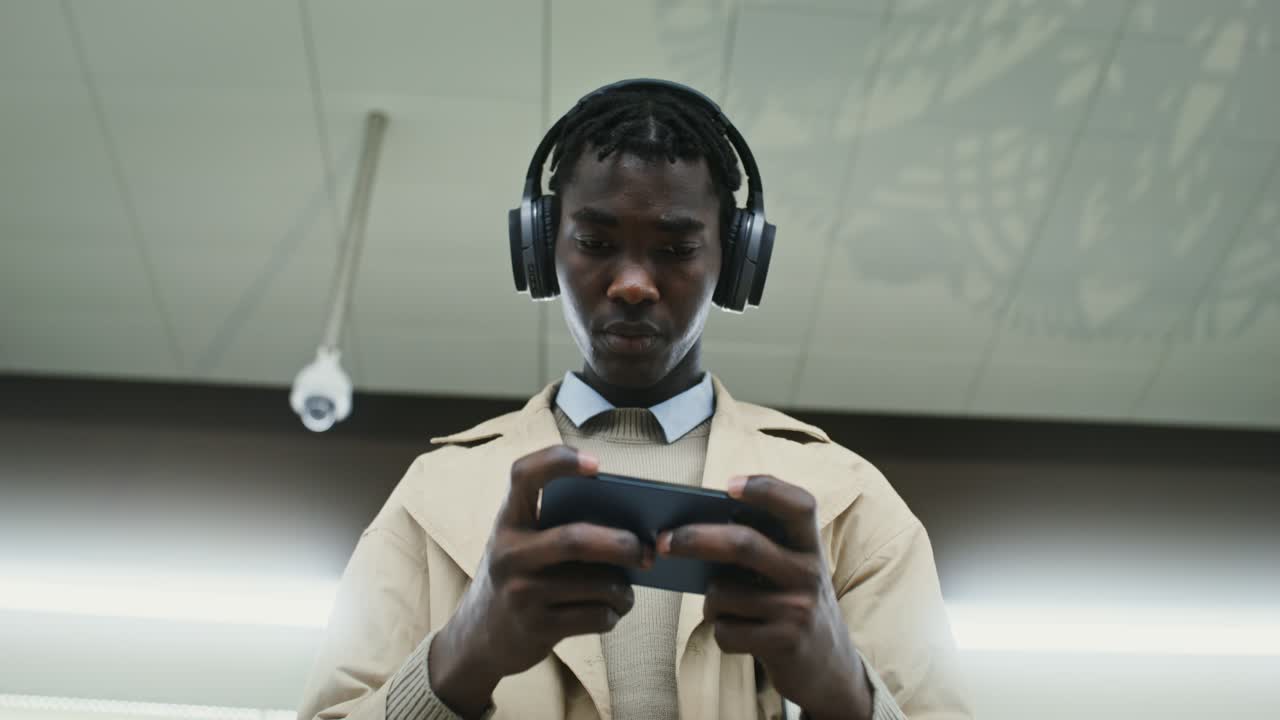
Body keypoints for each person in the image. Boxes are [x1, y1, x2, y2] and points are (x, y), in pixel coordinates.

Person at [297, 79, 972, 720]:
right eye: (595, 242)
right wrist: (459, 656)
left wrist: (845, 692)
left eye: (676, 248)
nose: (632, 284)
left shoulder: (848, 502)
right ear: (540, 246)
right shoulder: (433, 496)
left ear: (734, 261)